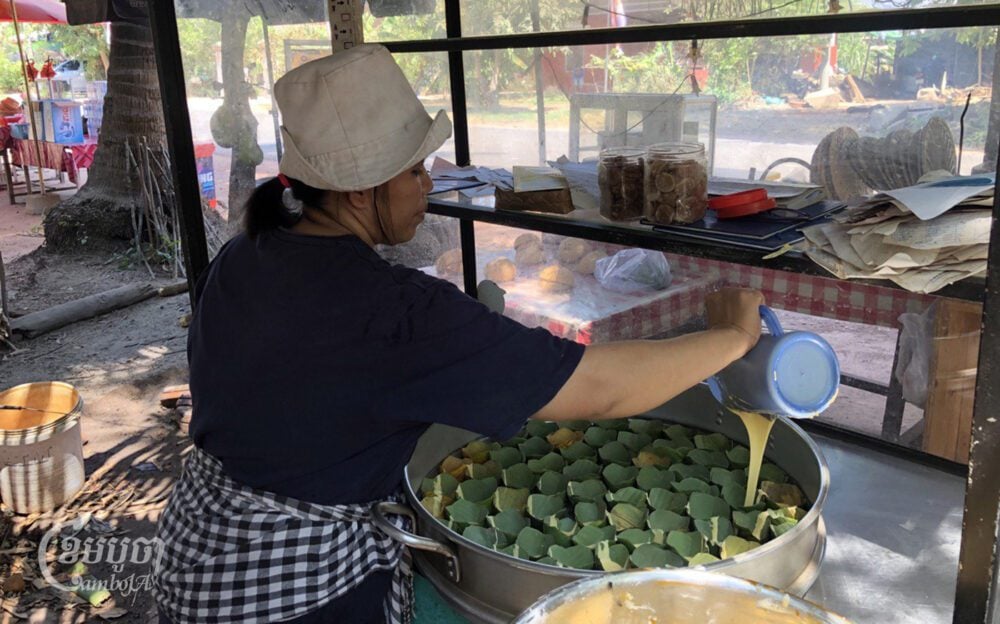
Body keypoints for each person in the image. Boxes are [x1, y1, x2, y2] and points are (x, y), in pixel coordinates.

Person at [151, 44, 765, 624]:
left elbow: (305, 384)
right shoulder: (397, 312)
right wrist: (734, 337)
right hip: (294, 587)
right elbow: (600, 388)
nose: (428, 185)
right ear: (363, 190)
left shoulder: (247, 253)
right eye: (415, 170)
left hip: (197, 546)